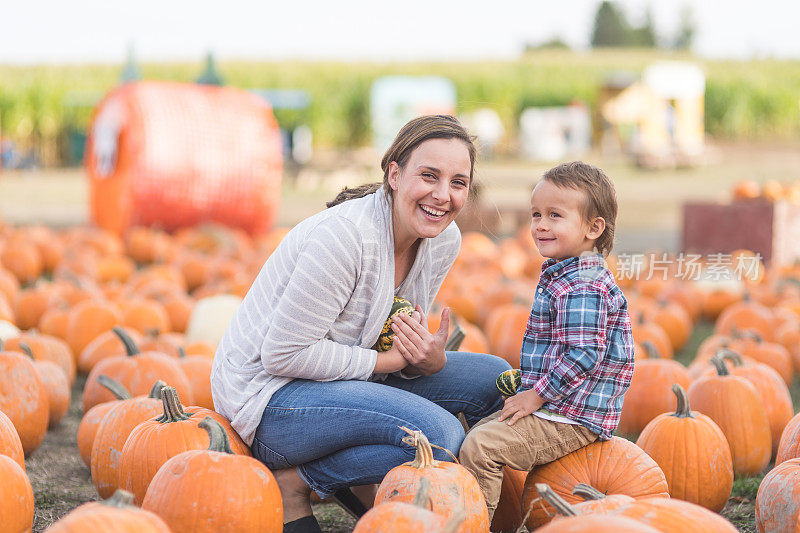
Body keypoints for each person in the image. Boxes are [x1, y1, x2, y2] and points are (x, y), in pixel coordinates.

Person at [210, 115, 510, 533]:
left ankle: (487, 513)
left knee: (496, 379)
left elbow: (393, 335)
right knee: (438, 436)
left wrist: (428, 360)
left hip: (346, 381)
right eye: (429, 176)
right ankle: (296, 484)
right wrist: (387, 364)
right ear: (394, 174)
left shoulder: (444, 239)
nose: (443, 196)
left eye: (458, 182)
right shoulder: (345, 239)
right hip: (270, 399)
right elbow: (284, 354)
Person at [458, 160, 635, 520]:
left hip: (573, 415)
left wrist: (535, 395)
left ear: (593, 228)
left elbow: (583, 352)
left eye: (555, 215)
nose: (540, 225)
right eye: (536, 214)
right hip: (561, 406)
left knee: (481, 447)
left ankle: (476, 525)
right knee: (479, 431)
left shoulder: (581, 285)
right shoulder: (566, 273)